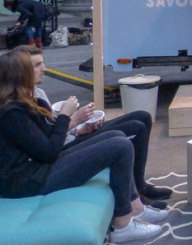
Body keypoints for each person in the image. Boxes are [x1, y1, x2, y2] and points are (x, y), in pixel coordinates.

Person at [0, 50, 167, 243]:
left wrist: (69, 124)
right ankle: (123, 224)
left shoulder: (22, 104)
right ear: (21, 75)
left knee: (117, 136)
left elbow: (44, 141)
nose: (41, 70)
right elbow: (49, 152)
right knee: (120, 146)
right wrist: (65, 116)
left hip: (37, 169)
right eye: (32, 68)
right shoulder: (11, 113)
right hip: (28, 181)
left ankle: (135, 208)